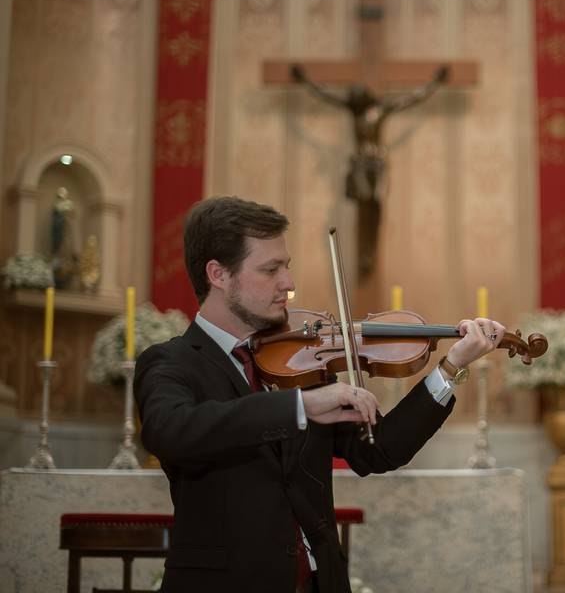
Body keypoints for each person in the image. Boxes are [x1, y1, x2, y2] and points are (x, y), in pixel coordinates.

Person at [134, 196, 504, 592]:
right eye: (270, 269)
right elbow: (171, 431)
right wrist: (298, 406)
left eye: (287, 267)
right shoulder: (171, 363)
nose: (288, 284)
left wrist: (450, 368)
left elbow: (377, 451)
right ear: (218, 274)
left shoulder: (299, 361)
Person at [290, 64, 450, 278]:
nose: (355, 99)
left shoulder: (380, 110)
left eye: (358, 95)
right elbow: (325, 95)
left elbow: (412, 98)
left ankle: (369, 252)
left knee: (375, 207)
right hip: (360, 164)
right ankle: (365, 253)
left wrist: (435, 83)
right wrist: (305, 80)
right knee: (363, 207)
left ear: (366, 96)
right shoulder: (352, 110)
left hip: (377, 164)